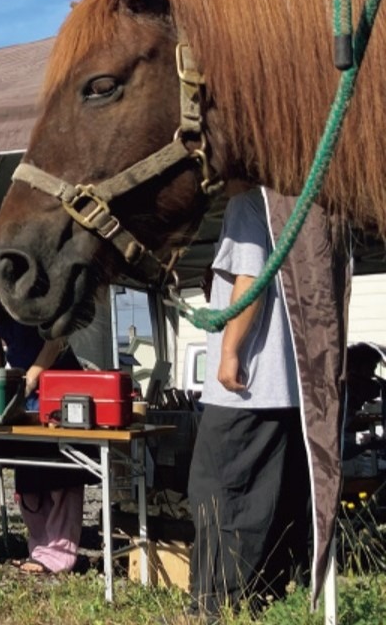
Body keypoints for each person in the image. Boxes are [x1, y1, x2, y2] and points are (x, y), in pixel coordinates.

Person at [188, 186, 309, 617]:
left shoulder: (247, 202)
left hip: (246, 387)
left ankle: (216, 607)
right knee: (267, 501)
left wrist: (229, 351)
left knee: (216, 495)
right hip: (287, 389)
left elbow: (251, 280)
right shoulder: (295, 201)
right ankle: (263, 598)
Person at [0, 261, 87, 575]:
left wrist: (33, 377)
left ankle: (61, 557)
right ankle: (40, 549)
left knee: (60, 473)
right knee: (29, 471)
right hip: (22, 386)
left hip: (58, 381)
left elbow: (56, 339)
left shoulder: (34, 290)